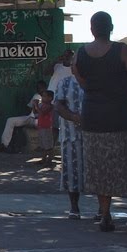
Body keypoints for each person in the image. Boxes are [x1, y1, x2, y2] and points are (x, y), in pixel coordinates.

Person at [73, 11, 127, 234]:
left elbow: (81, 81)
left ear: (91, 29)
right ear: (111, 27)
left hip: (93, 118)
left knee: (100, 168)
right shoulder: (122, 50)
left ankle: (105, 214)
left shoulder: (80, 54)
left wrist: (97, 94)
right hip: (121, 116)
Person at [53, 75, 87, 219]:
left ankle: (102, 210)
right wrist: (74, 117)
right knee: (72, 172)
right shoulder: (65, 83)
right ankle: (74, 207)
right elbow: (59, 105)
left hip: (95, 134)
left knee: (98, 170)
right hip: (70, 135)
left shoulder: (97, 80)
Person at [0, 81, 48, 152]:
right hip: (31, 118)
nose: (39, 89)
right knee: (10, 120)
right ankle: (4, 145)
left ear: (45, 88)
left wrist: (37, 106)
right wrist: (32, 109)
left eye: (41, 88)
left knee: (41, 124)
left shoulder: (49, 96)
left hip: (40, 120)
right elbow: (29, 107)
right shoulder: (36, 95)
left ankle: (43, 147)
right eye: (38, 88)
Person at [36, 90, 56, 165]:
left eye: (45, 96)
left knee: (48, 145)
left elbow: (42, 113)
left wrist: (36, 105)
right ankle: (43, 159)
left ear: (50, 98)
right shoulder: (42, 105)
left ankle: (49, 160)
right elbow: (36, 112)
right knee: (43, 145)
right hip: (41, 126)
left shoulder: (50, 106)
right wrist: (36, 105)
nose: (43, 98)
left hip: (46, 127)